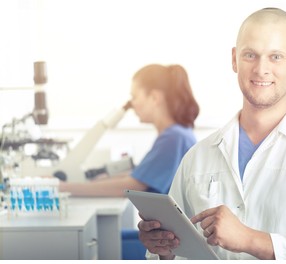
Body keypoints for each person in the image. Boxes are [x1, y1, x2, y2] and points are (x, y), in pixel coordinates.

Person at [138, 7, 286, 260]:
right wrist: (164, 252)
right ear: (234, 59)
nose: (261, 69)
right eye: (250, 55)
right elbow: (166, 263)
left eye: (276, 57)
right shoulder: (198, 157)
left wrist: (251, 240)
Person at [59, 64, 199, 196]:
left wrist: (63, 187)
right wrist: (87, 181)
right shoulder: (178, 134)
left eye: (135, 97)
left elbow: (131, 186)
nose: (132, 104)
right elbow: (137, 175)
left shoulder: (173, 138)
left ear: (154, 98)